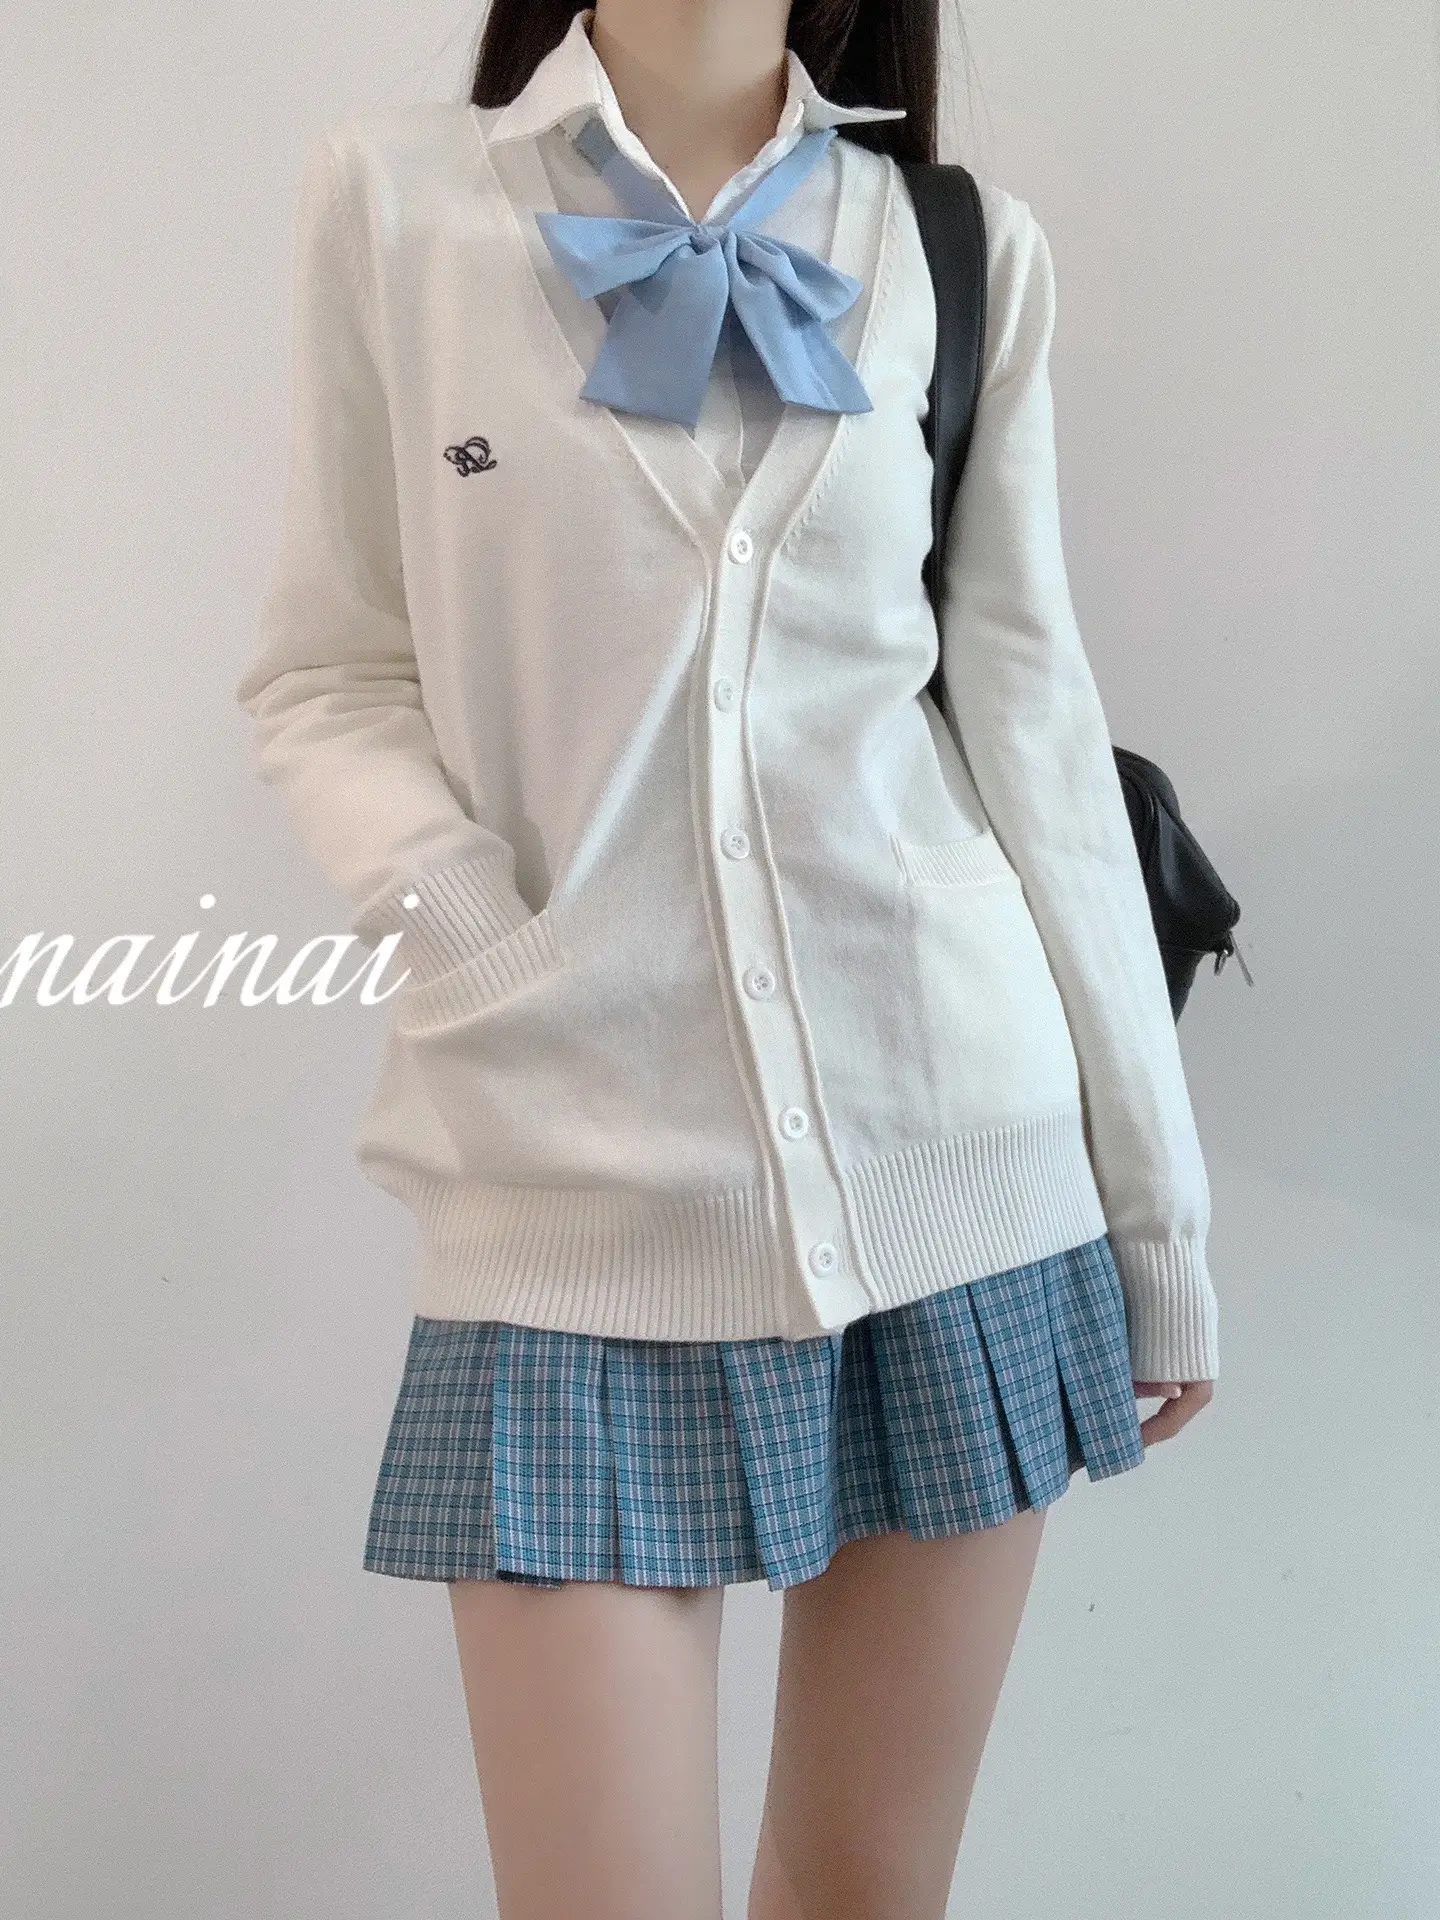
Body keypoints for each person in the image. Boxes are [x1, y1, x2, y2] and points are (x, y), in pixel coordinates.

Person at [235, 2, 1218, 1914]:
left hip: (961, 1171)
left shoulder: (958, 248)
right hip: (571, 1196)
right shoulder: (395, 204)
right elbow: (328, 673)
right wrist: (475, 940)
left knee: (866, 1893)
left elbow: (1033, 725)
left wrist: (1158, 1217)